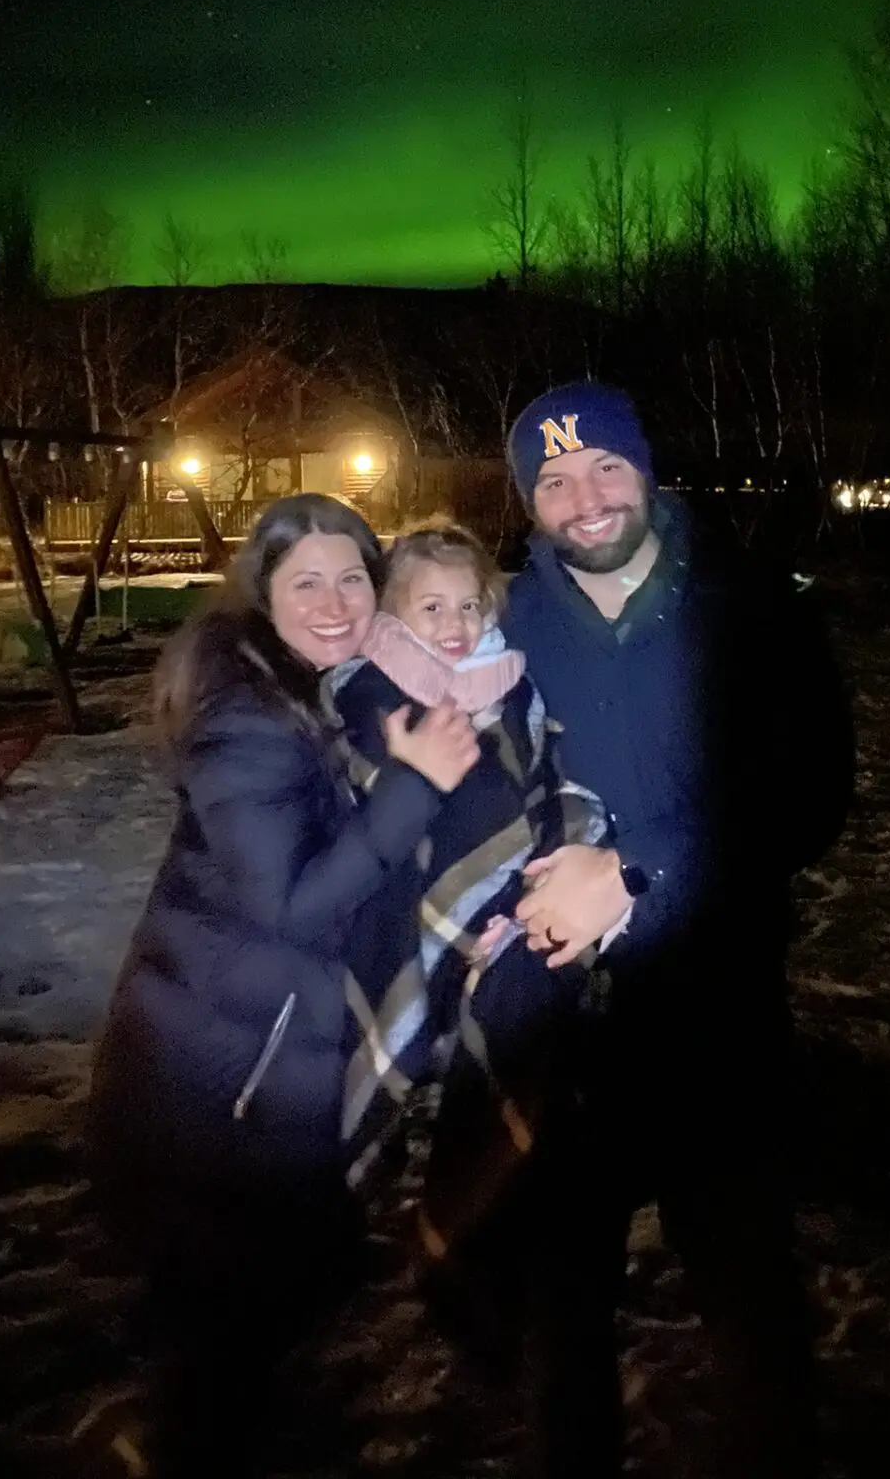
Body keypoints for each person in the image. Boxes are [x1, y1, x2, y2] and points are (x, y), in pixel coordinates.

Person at [493, 381, 855, 1479]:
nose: (585, 499)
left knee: (754, 1325)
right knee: (560, 1342)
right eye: (552, 481)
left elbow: (810, 793)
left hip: (720, 1026)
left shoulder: (753, 609)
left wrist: (642, 871)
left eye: (606, 467)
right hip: (564, 1049)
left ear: (648, 471)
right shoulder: (507, 627)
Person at [86, 493, 480, 1478]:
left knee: (262, 1307)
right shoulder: (248, 720)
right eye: (307, 580)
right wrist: (416, 784)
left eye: (354, 575)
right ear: (262, 593)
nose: (337, 599)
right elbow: (298, 905)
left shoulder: (320, 687)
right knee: (227, 1326)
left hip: (264, 1055)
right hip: (225, 1078)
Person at [323, 521, 612, 1305]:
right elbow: (378, 790)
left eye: (468, 607)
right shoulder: (369, 684)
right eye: (430, 609)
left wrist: (532, 874)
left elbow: (537, 776)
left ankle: (468, 1230)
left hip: (506, 914)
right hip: (402, 905)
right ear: (393, 613)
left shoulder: (512, 684)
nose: (453, 627)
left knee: (510, 1066)